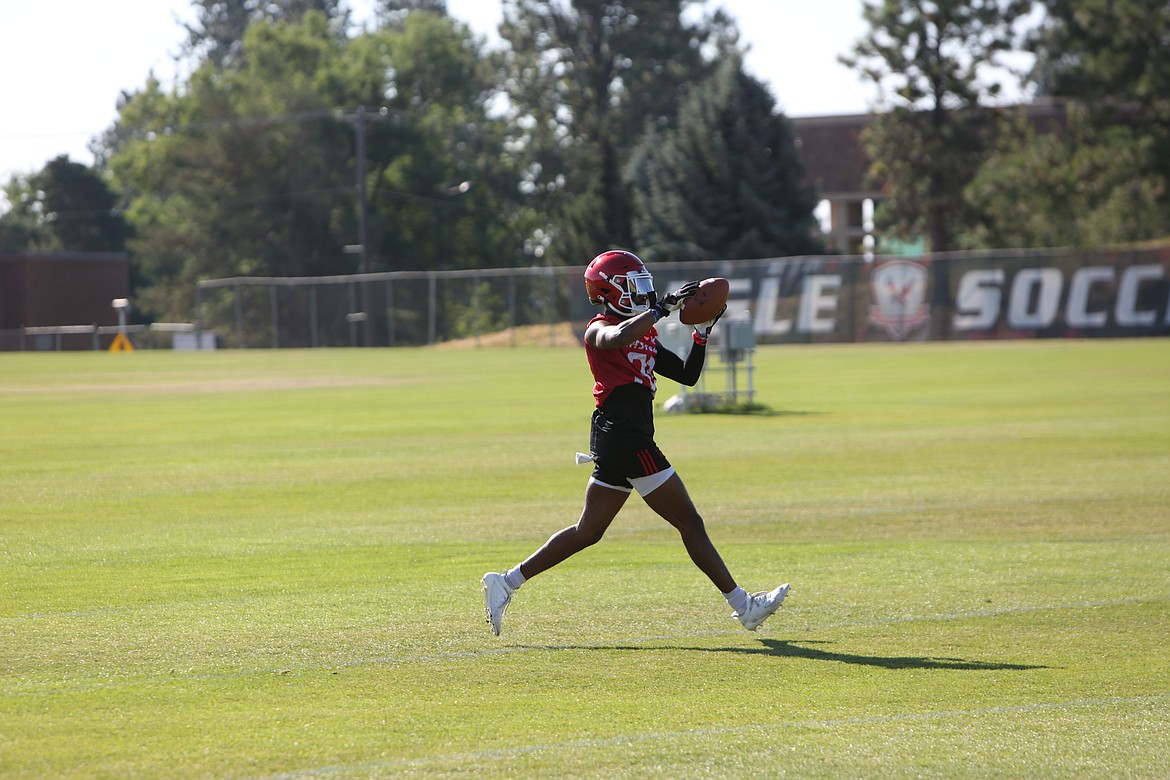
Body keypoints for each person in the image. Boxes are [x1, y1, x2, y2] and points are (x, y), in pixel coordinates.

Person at [481, 249, 788, 636]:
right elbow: (615, 337)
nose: (642, 292)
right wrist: (659, 310)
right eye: (633, 286)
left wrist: (702, 332)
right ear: (610, 291)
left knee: (587, 531)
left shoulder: (643, 331)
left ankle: (504, 582)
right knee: (690, 522)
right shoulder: (599, 326)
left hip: (623, 436)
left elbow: (687, 375)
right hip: (626, 436)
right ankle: (744, 606)